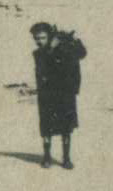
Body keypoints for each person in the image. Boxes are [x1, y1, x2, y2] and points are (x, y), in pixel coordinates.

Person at [30, 21, 87, 169]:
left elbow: (81, 54)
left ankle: (66, 158)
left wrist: (68, 42)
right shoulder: (38, 53)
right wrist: (52, 47)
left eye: (42, 37)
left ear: (49, 36)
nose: (39, 41)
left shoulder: (63, 49)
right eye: (36, 38)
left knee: (66, 127)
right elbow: (45, 63)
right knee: (46, 127)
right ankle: (47, 157)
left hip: (65, 93)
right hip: (47, 95)